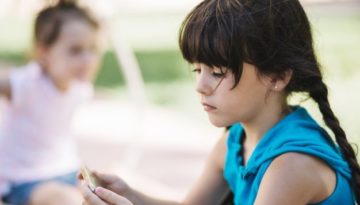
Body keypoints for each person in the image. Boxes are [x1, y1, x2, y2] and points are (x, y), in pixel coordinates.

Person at [79, 0, 359, 204]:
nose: (200, 86)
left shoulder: (291, 165)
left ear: (276, 77)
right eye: (197, 70)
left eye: (217, 73)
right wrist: (130, 195)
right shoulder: (234, 142)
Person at [0, 0, 102, 204]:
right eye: (75, 50)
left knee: (111, 189)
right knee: (65, 200)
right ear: (44, 53)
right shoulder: (28, 84)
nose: (88, 59)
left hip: (67, 169)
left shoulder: (79, 86)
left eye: (92, 49)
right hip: (25, 178)